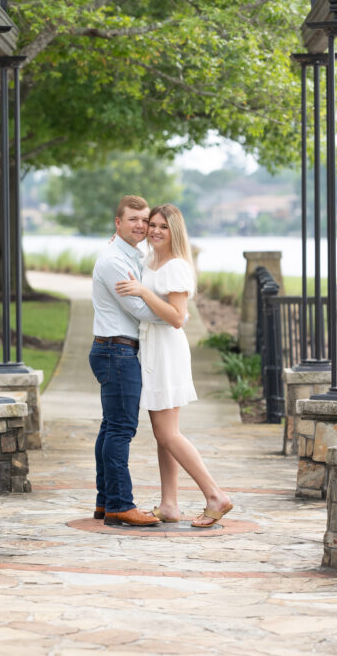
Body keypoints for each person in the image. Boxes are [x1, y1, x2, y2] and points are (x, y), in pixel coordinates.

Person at [115, 204, 233, 528]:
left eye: (162, 227)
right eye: (152, 224)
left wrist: (142, 292)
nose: (154, 230)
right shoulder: (151, 260)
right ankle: (169, 504)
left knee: (168, 433)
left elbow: (178, 318)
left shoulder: (176, 267)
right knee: (162, 434)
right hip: (153, 348)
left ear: (175, 231)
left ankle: (215, 496)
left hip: (166, 352)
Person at [90, 195, 168, 527]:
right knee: (121, 429)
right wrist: (175, 314)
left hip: (115, 350)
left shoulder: (127, 255)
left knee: (111, 428)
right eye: (133, 219)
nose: (140, 225)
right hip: (117, 351)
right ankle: (121, 504)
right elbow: (137, 309)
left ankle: (105, 502)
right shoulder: (112, 261)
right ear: (118, 223)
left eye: (144, 220)